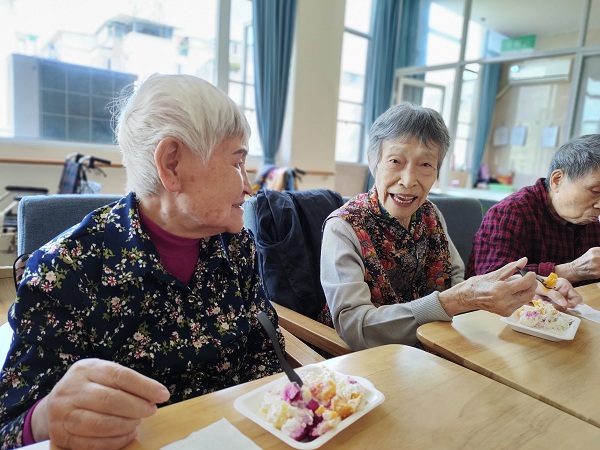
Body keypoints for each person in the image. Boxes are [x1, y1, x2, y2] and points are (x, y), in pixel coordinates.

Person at [0, 74, 282, 449]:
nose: (248, 186)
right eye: (237, 163)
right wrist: (49, 417)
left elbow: (266, 355)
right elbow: (9, 427)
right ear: (172, 164)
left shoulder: (236, 247)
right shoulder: (63, 271)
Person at [320, 103, 582, 351]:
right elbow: (355, 326)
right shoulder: (344, 228)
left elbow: (458, 283)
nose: (409, 180)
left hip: (436, 346)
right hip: (368, 361)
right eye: (395, 161)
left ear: (437, 171)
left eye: (425, 165)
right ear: (373, 160)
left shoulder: (430, 214)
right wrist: (452, 302)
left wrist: (525, 288)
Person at [466, 134, 600, 285]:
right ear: (557, 180)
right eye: (596, 191)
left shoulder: (591, 221)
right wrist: (573, 270)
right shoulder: (509, 213)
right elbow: (493, 279)